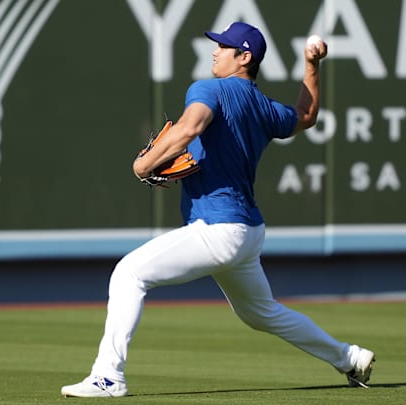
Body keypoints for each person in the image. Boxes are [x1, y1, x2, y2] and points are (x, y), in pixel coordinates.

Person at [61, 21, 375, 398]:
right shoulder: (263, 106)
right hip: (247, 233)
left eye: (223, 47)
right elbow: (306, 116)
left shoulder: (209, 88)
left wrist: (143, 165)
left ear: (244, 57)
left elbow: (190, 127)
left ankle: (108, 377)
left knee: (128, 274)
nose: (214, 51)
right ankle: (349, 357)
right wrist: (312, 64)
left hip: (217, 226)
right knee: (261, 313)